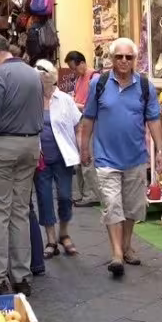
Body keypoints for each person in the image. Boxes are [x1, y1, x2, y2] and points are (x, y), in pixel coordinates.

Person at [81, 37, 162, 277]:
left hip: (136, 158)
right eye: (119, 56)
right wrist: (84, 147)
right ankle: (116, 253)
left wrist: (160, 150)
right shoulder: (99, 83)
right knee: (112, 206)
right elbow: (88, 118)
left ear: (135, 60)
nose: (124, 61)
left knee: (131, 209)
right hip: (106, 159)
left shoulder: (145, 86)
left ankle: (127, 246)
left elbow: (153, 120)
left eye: (129, 57)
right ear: (111, 58)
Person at [0, 31, 43, 296]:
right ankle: (22, 274)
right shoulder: (32, 74)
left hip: (2, 148)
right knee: (20, 211)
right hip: (30, 146)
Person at [34, 59, 81, 258]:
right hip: (40, 159)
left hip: (63, 156)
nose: (44, 82)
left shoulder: (65, 100)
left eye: (46, 78)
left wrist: (80, 150)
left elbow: (78, 125)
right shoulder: (31, 101)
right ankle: (51, 240)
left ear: (52, 78)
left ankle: (64, 233)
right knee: (44, 198)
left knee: (64, 196)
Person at [64, 50, 100, 208]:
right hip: (79, 123)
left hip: (89, 122)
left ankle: (92, 194)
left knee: (88, 159)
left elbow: (93, 105)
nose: (73, 71)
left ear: (82, 63)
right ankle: (84, 193)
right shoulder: (79, 78)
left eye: (74, 67)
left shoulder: (94, 78)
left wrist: (76, 105)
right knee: (79, 160)